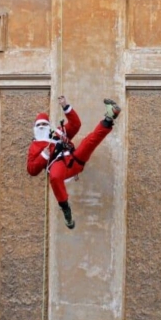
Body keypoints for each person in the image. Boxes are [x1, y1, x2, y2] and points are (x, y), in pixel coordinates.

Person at [27, 96, 121, 229]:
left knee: (89, 141)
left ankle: (109, 117)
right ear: (35, 128)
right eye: (39, 125)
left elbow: (76, 125)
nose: (42, 127)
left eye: (44, 124)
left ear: (49, 126)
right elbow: (31, 169)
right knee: (54, 175)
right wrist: (43, 155)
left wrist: (66, 107)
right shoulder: (35, 146)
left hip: (72, 158)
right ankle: (65, 208)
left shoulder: (58, 133)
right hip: (57, 165)